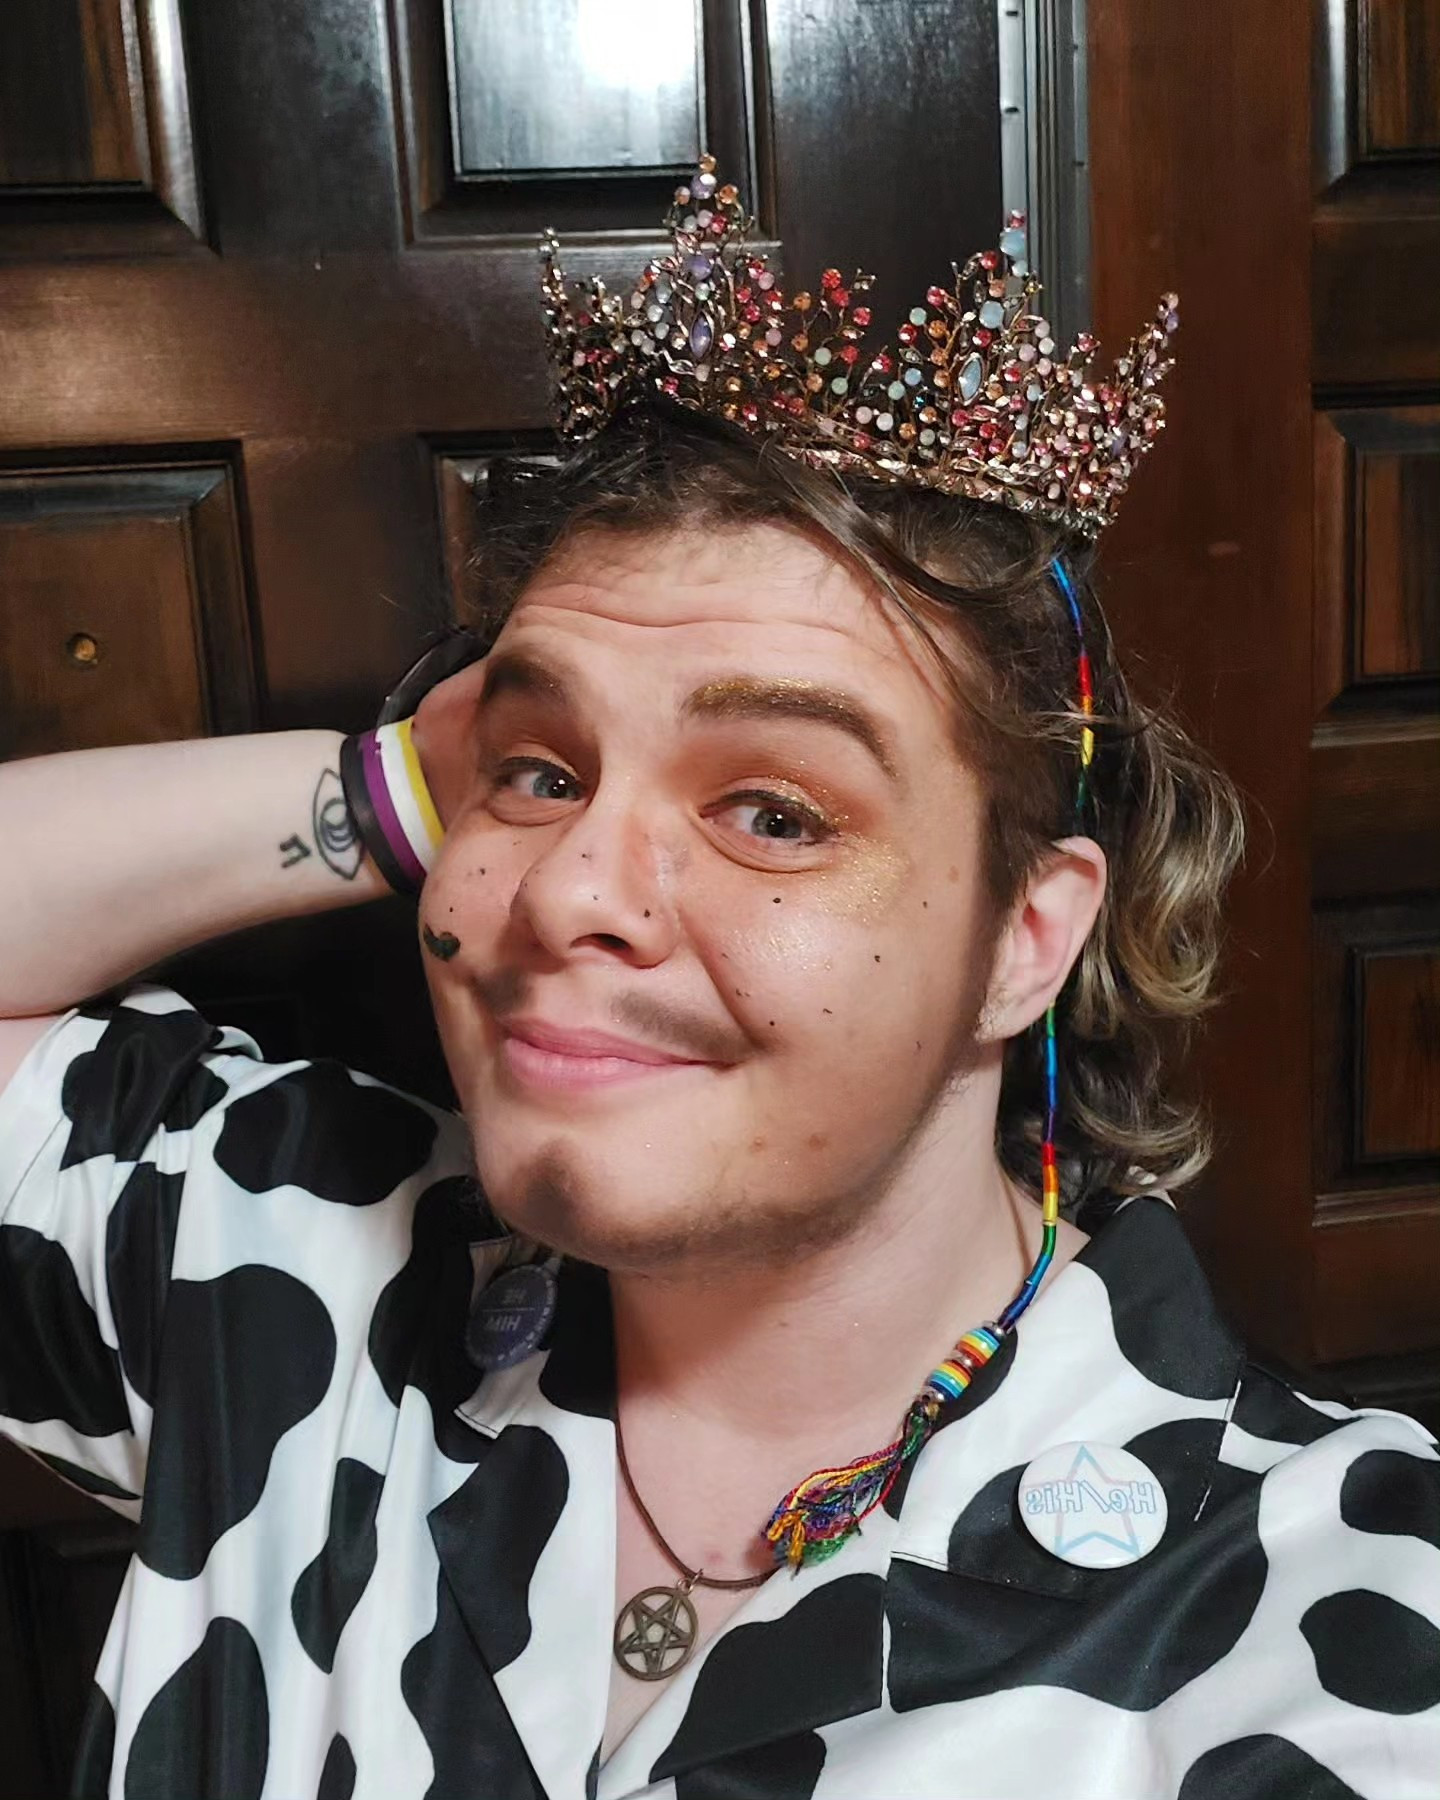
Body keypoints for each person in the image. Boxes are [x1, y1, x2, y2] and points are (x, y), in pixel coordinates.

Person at [1, 158, 1436, 1800]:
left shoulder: (1348, 1621)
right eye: (540, 775)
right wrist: (403, 784)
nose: (568, 893)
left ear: (1024, 940)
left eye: (775, 811)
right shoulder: (278, 1266)